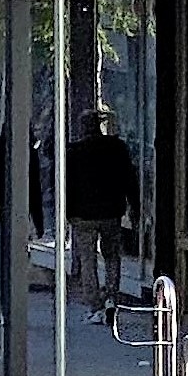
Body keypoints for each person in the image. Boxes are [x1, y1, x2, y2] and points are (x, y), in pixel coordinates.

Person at [63, 109, 139, 321]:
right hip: (111, 212)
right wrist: (134, 207)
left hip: (82, 215)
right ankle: (111, 297)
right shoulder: (116, 147)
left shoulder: (75, 151)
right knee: (112, 256)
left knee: (88, 260)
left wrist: (67, 213)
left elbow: (67, 185)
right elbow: (129, 179)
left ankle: (94, 305)